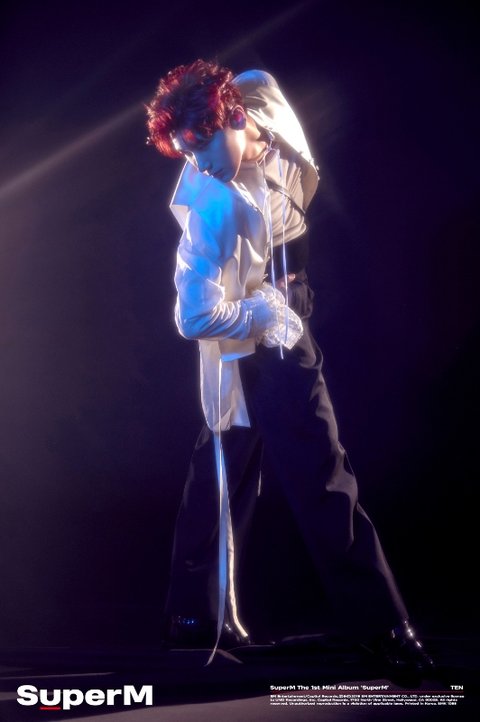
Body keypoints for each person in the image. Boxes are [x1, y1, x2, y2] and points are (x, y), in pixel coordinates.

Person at [146, 59, 434, 676]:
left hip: (288, 296)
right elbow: (194, 316)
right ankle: (382, 625)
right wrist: (264, 314)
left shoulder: (262, 99)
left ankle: (192, 619)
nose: (195, 164)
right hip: (258, 322)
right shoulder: (212, 203)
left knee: (223, 462)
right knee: (318, 466)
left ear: (238, 117)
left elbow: (253, 77)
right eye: (185, 153)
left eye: (200, 145)